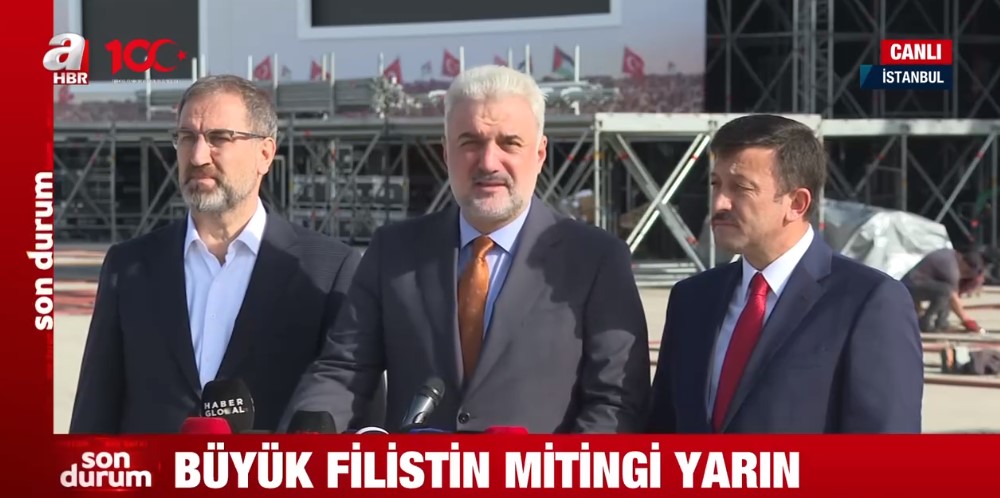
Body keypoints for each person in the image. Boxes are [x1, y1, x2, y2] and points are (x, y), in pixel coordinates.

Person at [282, 65, 650, 434]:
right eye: (470, 142)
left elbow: (616, 403)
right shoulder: (393, 252)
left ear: (540, 154)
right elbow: (344, 369)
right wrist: (312, 428)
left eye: (509, 143)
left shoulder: (596, 260)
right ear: (446, 152)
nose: (488, 162)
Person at [69, 75, 361, 434]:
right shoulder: (129, 266)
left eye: (219, 138)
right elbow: (95, 411)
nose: (197, 156)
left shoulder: (327, 270)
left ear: (265, 154)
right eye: (186, 137)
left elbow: (354, 410)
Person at [647, 114, 923, 434]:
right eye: (715, 184)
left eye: (741, 188)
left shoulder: (869, 302)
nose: (719, 202)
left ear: (797, 203)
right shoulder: (692, 298)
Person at [901, 247, 985, 333]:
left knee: (945, 291)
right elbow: (954, 298)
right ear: (964, 263)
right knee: (946, 291)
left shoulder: (951, 254)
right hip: (910, 288)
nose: (964, 275)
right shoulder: (951, 270)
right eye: (966, 273)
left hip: (912, 283)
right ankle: (926, 322)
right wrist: (967, 320)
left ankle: (941, 323)